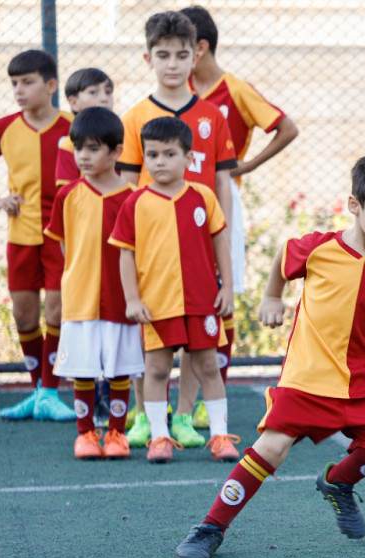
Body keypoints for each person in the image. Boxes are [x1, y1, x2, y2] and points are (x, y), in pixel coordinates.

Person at [175, 151, 365, 558]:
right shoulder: (319, 249)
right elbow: (281, 256)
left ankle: (337, 483)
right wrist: (272, 297)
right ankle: (210, 528)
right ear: (354, 206)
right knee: (271, 448)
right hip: (308, 378)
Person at [117, 10, 238, 450]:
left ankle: (185, 417)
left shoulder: (212, 115)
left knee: (200, 347)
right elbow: (126, 185)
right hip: (153, 254)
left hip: (200, 245)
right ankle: (147, 421)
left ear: (196, 56)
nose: (172, 63)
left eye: (181, 55)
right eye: (162, 54)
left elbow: (221, 180)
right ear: (148, 58)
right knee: (152, 345)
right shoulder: (134, 118)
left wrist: (220, 236)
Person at [179, 5, 300, 431]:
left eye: (180, 49)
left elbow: (287, 127)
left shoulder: (236, 90)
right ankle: (169, 402)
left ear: (201, 47)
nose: (171, 58)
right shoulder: (175, 91)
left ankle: (209, 400)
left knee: (219, 299)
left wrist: (242, 169)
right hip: (174, 208)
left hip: (221, 204)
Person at [109, 116, 239, 465]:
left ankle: (219, 436)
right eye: (152, 155)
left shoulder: (203, 196)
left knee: (208, 368)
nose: (159, 162)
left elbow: (220, 242)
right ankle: (159, 437)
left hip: (201, 302)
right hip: (157, 304)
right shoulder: (135, 202)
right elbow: (125, 253)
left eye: (169, 154)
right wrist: (133, 299)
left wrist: (226, 287)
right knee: (156, 371)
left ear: (188, 157)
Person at [0, 50, 76, 422]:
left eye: (28, 82)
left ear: (51, 85)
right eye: (14, 83)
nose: (19, 90)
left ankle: (51, 391)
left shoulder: (73, 126)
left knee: (57, 310)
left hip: (62, 238)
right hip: (20, 236)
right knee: (23, 316)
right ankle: (37, 391)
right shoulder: (4, 127)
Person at [44, 107, 142, 460]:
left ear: (116, 152)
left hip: (120, 301)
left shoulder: (134, 197)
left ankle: (116, 434)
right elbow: (65, 245)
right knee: (83, 370)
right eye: (78, 148)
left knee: (120, 369)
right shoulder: (67, 195)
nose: (83, 156)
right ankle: (85, 434)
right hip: (80, 299)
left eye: (93, 148)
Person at [54, 67, 118, 428]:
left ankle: (119, 409)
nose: (104, 98)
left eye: (108, 91)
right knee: (86, 341)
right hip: (84, 261)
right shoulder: (70, 153)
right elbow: (69, 210)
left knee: (117, 341)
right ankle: (90, 411)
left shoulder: (116, 140)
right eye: (94, 92)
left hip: (113, 260)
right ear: (74, 102)